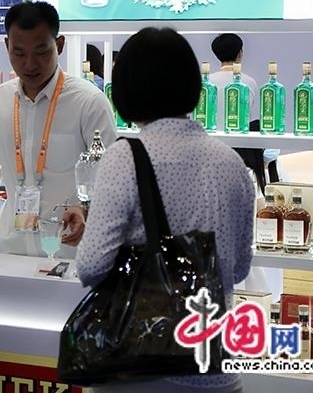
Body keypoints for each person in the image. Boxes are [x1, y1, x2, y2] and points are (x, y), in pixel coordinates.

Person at [64, 27, 253, 393]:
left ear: (126, 90)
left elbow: (90, 267)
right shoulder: (231, 162)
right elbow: (239, 267)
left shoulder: (124, 158)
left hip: (140, 369)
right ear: (192, 86)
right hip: (215, 369)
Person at [0, 1, 117, 256]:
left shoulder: (89, 102)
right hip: (10, 252)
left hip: (69, 254)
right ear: (7, 46)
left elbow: (111, 180)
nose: (30, 64)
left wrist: (85, 210)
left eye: (41, 52)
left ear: (59, 45)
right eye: (19, 53)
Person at [208, 32, 267, 191]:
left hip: (209, 149)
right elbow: (252, 120)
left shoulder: (205, 82)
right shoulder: (249, 82)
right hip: (241, 153)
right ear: (240, 53)